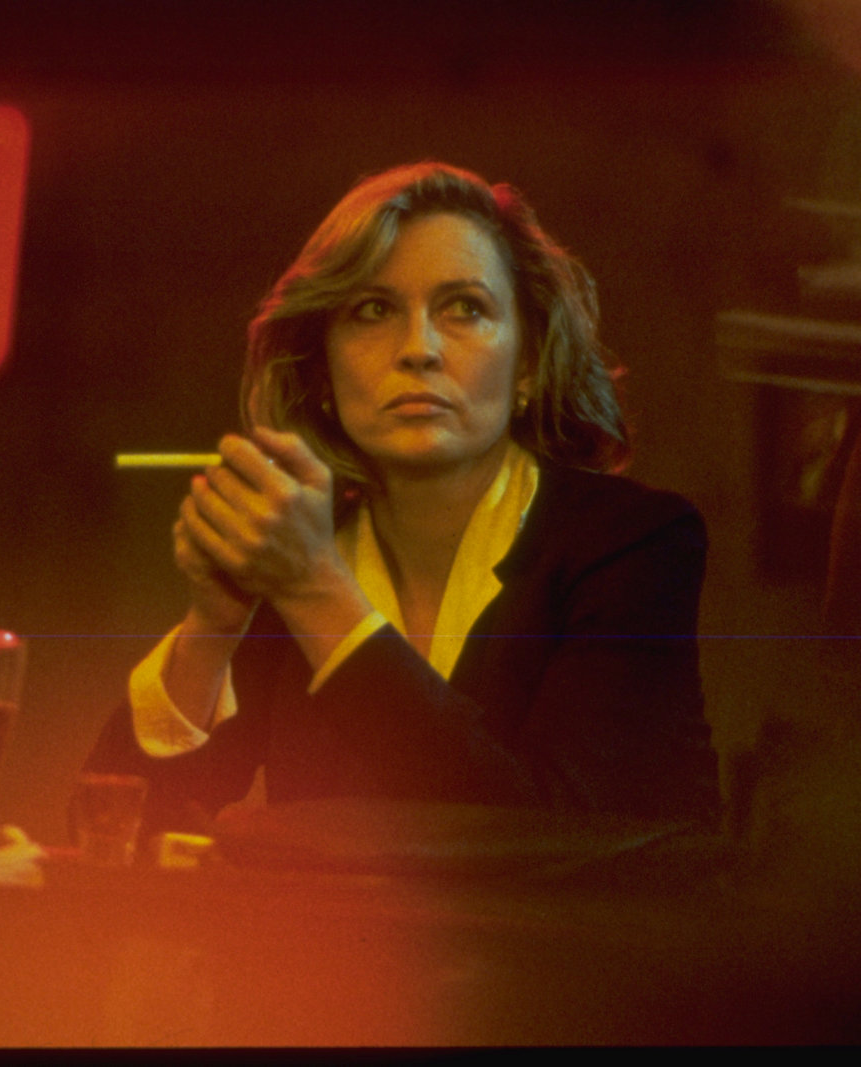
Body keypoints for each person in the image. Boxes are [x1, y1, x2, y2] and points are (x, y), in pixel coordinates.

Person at [88, 162, 717, 832]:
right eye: (374, 310)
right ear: (322, 371)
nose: (418, 349)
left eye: (465, 308)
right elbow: (120, 831)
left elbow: (545, 838)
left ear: (529, 364)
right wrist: (211, 629)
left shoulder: (635, 544)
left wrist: (316, 593)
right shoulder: (299, 552)